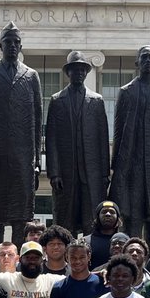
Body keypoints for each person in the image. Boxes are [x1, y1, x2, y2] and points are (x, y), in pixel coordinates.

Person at [109, 45, 150, 251]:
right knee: (132, 219)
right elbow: (118, 131)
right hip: (132, 165)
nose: (147, 61)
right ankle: (131, 262)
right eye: (144, 58)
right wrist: (116, 167)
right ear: (137, 63)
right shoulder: (126, 92)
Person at [0, 22, 42, 246]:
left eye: (16, 43)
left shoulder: (31, 76)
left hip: (23, 157)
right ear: (0, 45)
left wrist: (36, 161)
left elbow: (37, 120)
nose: (12, 46)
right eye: (8, 42)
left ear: (21, 46)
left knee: (21, 214)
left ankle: (17, 255)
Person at [45, 52, 110, 238]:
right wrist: (54, 172)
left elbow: (102, 139)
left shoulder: (96, 101)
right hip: (67, 173)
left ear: (87, 73)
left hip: (92, 173)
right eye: (75, 69)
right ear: (68, 72)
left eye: (82, 69)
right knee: (66, 219)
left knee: (91, 218)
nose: (79, 73)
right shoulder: (57, 100)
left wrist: (104, 173)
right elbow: (52, 139)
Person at [82, 201, 122, 270]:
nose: (108, 214)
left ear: (118, 218)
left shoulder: (125, 242)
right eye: (104, 212)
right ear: (97, 217)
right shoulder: (85, 242)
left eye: (112, 212)